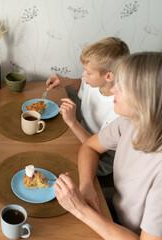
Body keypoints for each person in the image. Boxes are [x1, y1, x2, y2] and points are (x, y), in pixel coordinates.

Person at [54, 52, 162, 239]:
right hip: (114, 215)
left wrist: (80, 209)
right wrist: (87, 186)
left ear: (146, 98)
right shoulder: (129, 122)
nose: (113, 90)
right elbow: (90, 147)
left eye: (124, 86)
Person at [46, 37, 130, 176]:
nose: (83, 74)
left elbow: (98, 151)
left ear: (109, 76)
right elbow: (83, 86)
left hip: (98, 159)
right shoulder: (95, 83)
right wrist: (66, 81)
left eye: (88, 72)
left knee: (53, 167)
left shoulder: (120, 110)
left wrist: (72, 122)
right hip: (80, 140)